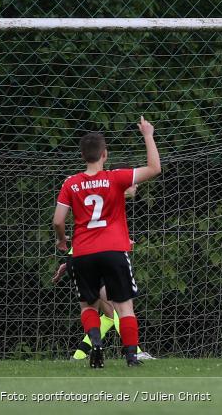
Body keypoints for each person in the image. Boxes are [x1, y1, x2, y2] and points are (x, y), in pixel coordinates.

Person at [53, 117, 161, 368]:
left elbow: (58, 220)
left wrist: (61, 241)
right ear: (105, 154)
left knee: (88, 306)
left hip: (83, 253)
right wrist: (147, 134)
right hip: (113, 249)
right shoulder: (115, 178)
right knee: (124, 307)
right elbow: (154, 168)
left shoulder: (71, 183)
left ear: (82, 155)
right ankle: (132, 358)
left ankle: (96, 345)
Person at [52, 177, 154, 362]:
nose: (137, 185)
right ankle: (134, 352)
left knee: (107, 313)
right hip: (100, 256)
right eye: (134, 181)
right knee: (119, 307)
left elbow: (89, 229)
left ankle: (80, 353)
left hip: (81, 257)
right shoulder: (112, 193)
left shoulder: (98, 194)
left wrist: (69, 262)